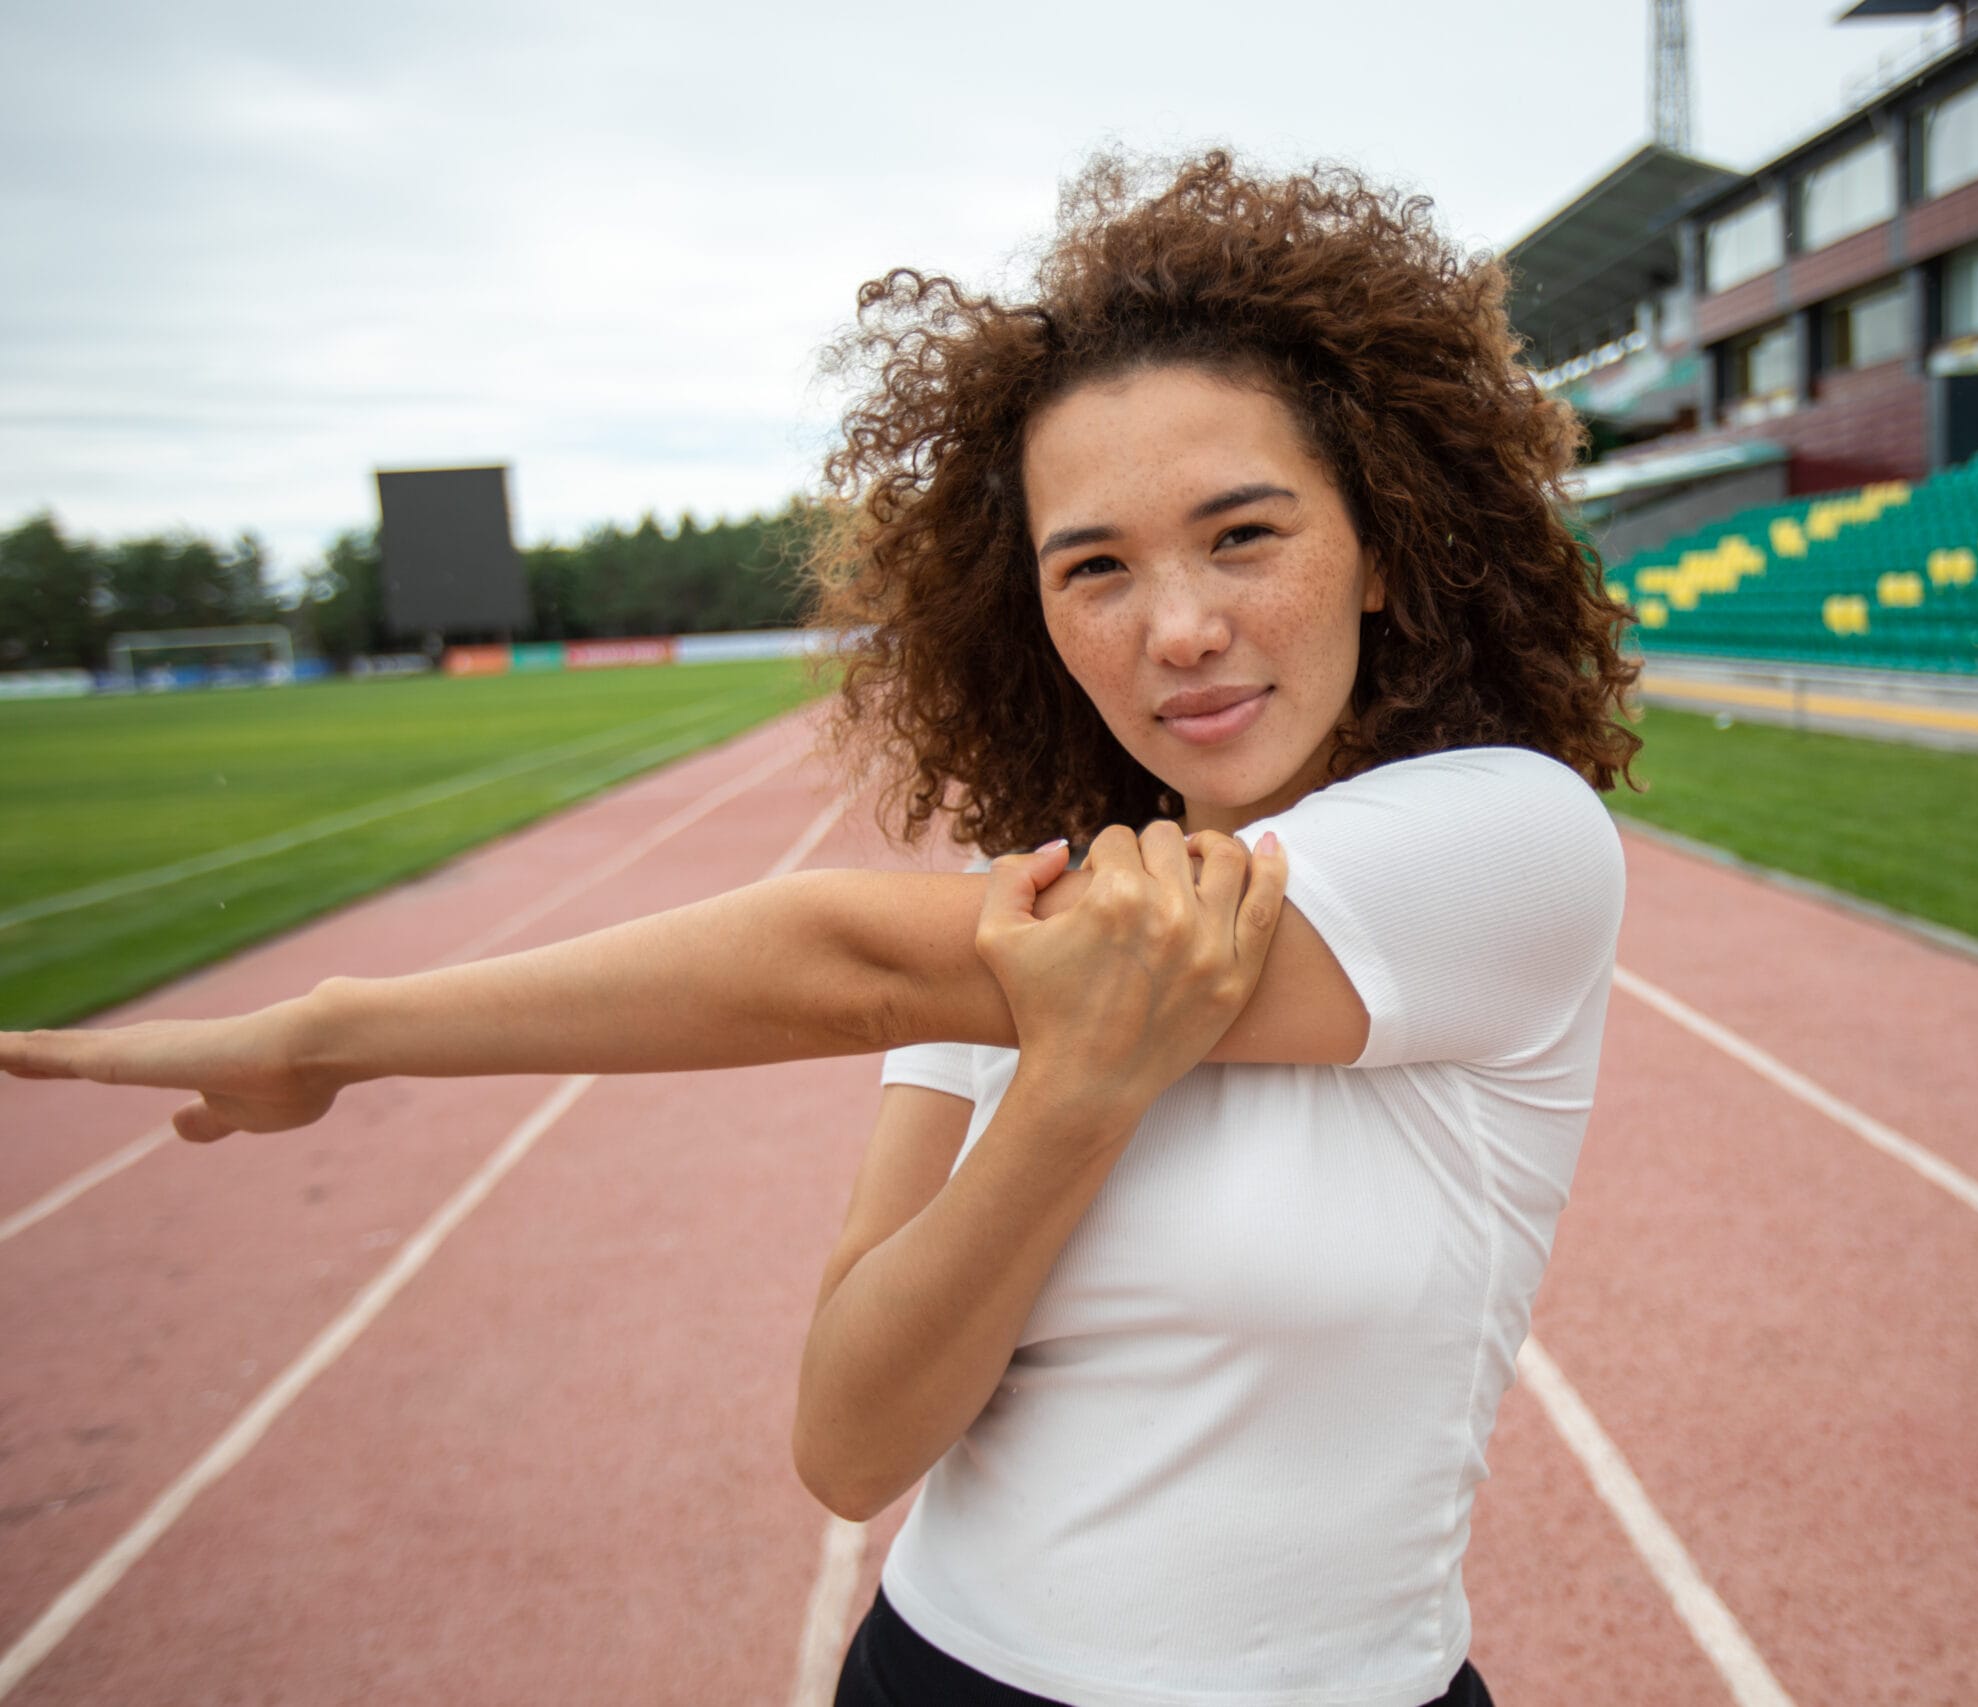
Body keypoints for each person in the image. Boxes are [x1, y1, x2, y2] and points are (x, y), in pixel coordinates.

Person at [0, 148, 1641, 1706]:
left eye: (1245, 534)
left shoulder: (1508, 843)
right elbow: (854, 1449)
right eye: (1095, 569)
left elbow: (837, 963)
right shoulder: (1021, 921)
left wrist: (329, 1030)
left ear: (1377, 547)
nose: (1184, 629)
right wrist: (1068, 1100)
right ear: (1040, 619)